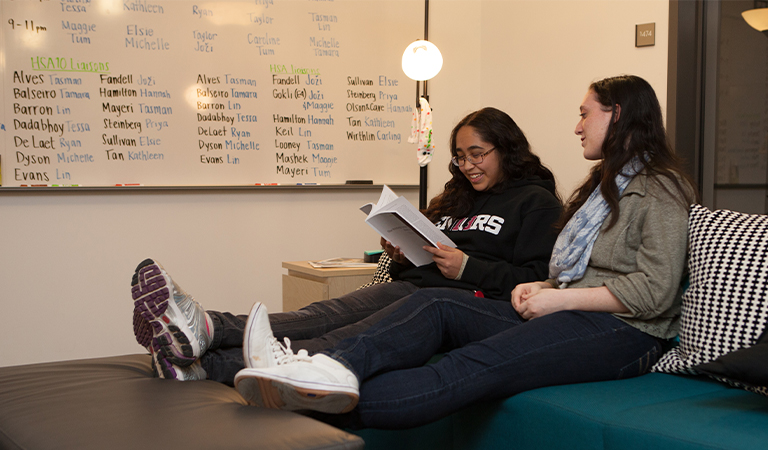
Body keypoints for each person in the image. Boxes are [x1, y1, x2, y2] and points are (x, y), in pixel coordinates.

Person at [232, 75, 700, 429]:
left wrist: (558, 297)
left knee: (469, 367)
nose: (577, 126)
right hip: (568, 310)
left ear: (616, 114)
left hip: (623, 333)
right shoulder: (602, 187)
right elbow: (578, 269)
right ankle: (327, 371)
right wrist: (545, 286)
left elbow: (654, 292)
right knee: (433, 304)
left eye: (585, 114)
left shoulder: (659, 186)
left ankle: (311, 402)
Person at [131, 107, 563, 384]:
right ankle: (198, 345)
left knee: (335, 329)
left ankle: (203, 347)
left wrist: (466, 267)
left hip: (459, 299)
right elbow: (423, 257)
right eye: (459, 157)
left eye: (477, 154)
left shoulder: (535, 202)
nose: (467, 166)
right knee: (317, 316)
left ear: (506, 149)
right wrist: (399, 251)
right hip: (412, 286)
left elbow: (535, 281)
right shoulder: (455, 196)